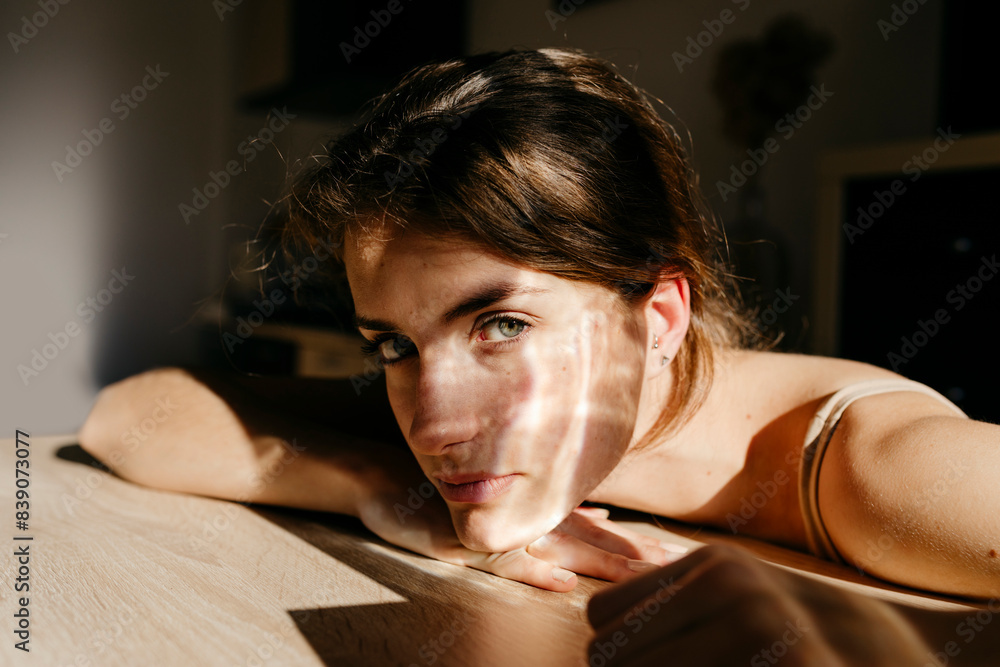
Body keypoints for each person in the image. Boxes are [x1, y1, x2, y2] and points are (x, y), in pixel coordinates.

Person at [79, 47, 999, 663]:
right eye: (392, 342)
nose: (435, 420)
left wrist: (868, 639)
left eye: (501, 324)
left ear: (661, 316)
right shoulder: (491, 427)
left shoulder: (883, 470)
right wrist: (382, 494)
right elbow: (134, 415)